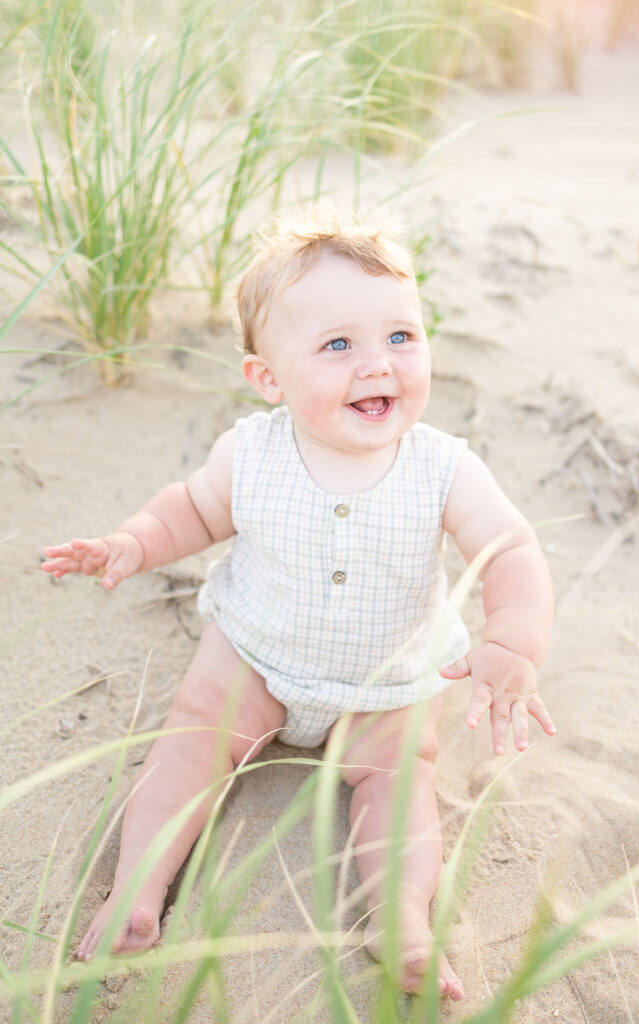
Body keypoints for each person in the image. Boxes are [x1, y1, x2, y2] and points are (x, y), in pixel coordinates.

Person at [42, 203, 555, 1001]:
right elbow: (194, 510)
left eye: (400, 336)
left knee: (399, 784)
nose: (377, 364)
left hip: (392, 683)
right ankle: (135, 892)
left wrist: (511, 644)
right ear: (267, 379)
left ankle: (400, 920)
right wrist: (134, 544)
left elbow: (510, 550)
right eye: (338, 344)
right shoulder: (250, 452)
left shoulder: (442, 468)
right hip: (255, 655)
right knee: (188, 748)